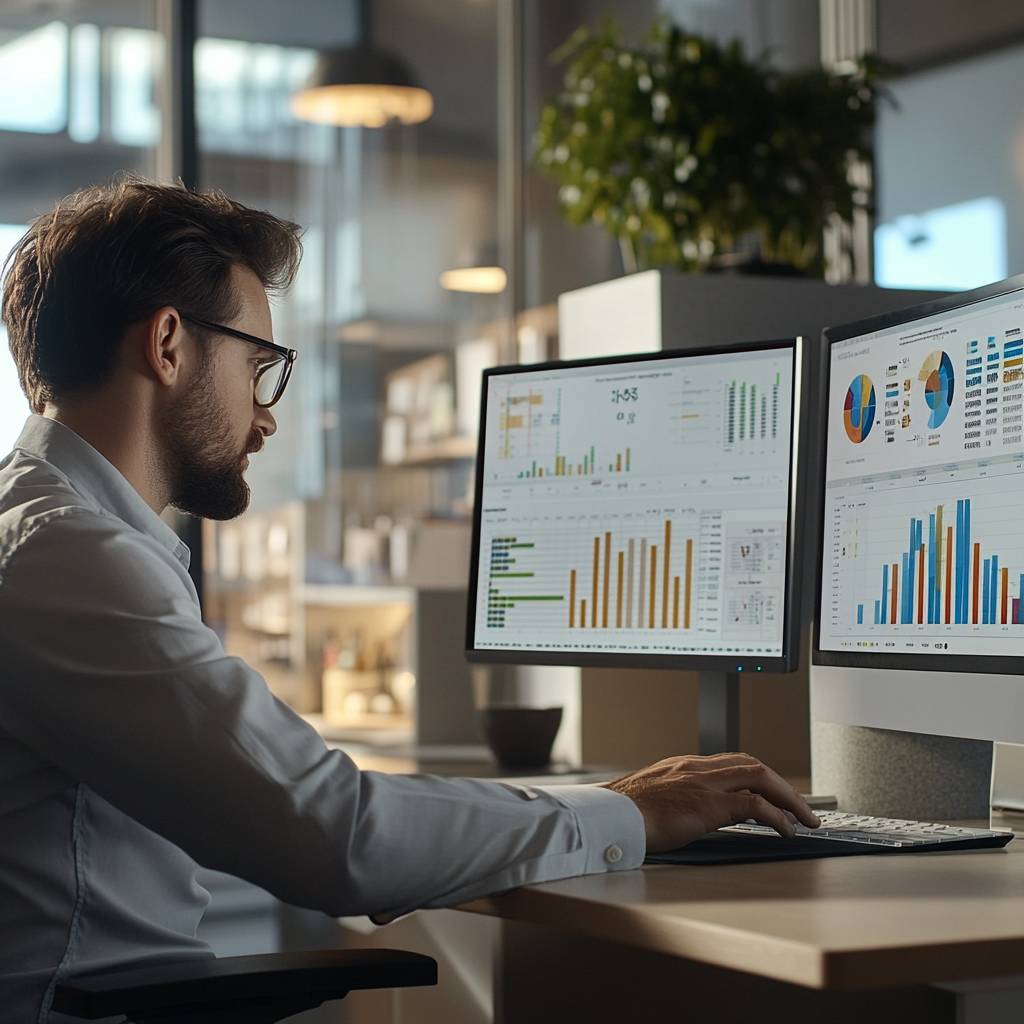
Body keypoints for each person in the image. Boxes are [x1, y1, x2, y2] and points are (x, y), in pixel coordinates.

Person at [0, 176, 818, 1022]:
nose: (266, 416)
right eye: (260, 366)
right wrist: (628, 812)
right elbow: (333, 833)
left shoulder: (56, 530)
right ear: (168, 346)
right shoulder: (69, 554)